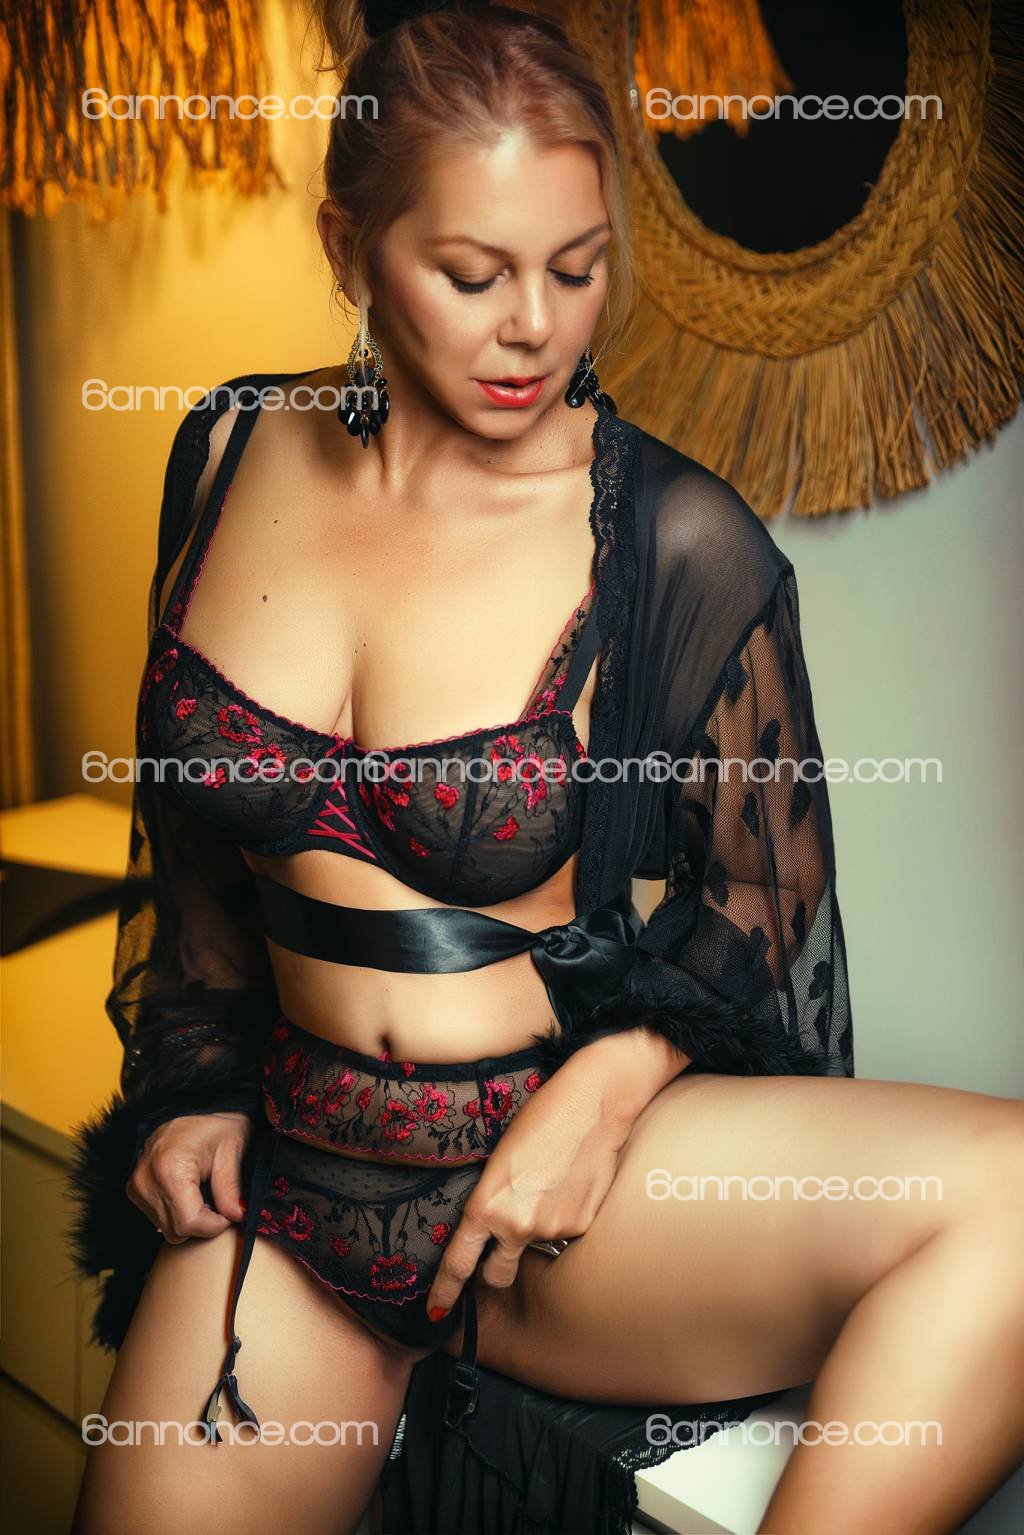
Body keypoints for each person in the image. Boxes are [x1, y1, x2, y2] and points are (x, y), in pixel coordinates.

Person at [68, 4, 1023, 1533]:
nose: (535, 327)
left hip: (561, 1203)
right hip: (292, 1192)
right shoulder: (230, 450)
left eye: (576, 269)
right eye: (474, 273)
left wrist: (610, 1086)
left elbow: (761, 898)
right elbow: (190, 850)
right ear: (348, 247)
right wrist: (190, 1088)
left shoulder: (671, 538)